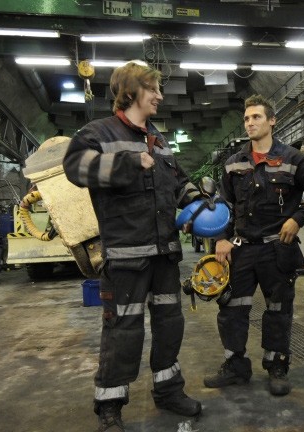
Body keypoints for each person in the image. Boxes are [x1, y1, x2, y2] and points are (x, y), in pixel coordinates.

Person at [63, 62, 202, 432]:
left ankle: (168, 390)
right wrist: (127, 162)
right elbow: (74, 167)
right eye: (152, 88)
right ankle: (110, 407)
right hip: (127, 258)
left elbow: (178, 181)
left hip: (165, 255)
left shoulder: (158, 138)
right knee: (124, 332)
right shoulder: (98, 133)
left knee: (170, 325)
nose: (159, 96)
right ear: (130, 92)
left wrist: (200, 203)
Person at [204, 94, 304, 396]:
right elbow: (221, 205)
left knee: (278, 309)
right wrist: (220, 238)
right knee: (231, 308)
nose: (250, 123)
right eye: (246, 119)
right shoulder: (234, 164)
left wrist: (298, 219)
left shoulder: (293, 159)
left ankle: (277, 366)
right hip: (241, 249)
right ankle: (235, 366)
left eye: (256, 117)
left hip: (278, 249)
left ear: (272, 121)